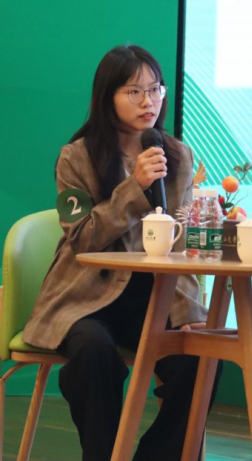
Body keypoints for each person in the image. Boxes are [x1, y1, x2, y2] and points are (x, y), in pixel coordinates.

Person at [23, 45, 218, 461]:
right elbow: (82, 238)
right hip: (85, 298)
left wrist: (189, 313)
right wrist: (135, 188)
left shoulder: (178, 156)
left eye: (156, 89)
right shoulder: (75, 158)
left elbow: (180, 243)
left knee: (203, 357)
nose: (149, 101)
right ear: (106, 96)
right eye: (134, 91)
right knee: (93, 352)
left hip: (154, 299)